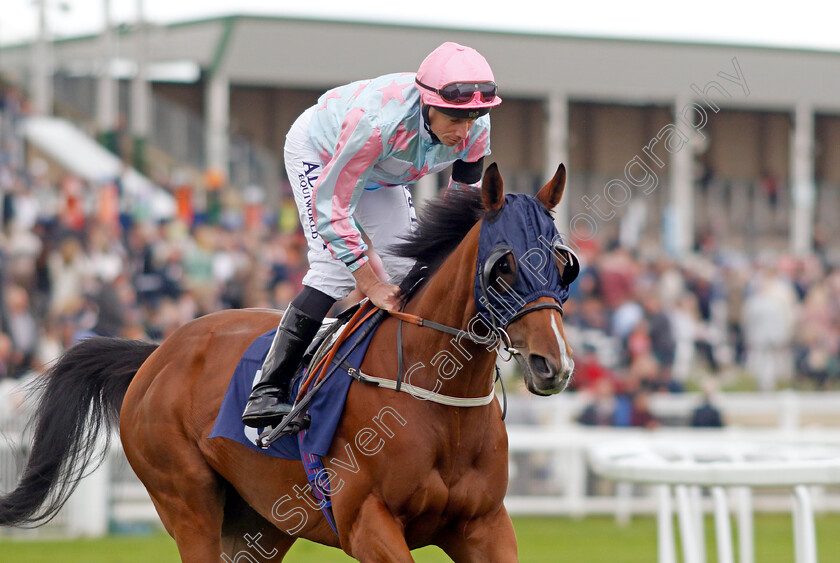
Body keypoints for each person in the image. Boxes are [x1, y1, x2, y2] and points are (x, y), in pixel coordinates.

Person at [242, 42, 502, 428]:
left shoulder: (477, 127)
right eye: (454, 119)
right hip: (323, 151)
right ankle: (267, 390)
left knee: (411, 266)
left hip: (382, 169)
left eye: (473, 117)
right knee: (333, 266)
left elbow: (458, 209)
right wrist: (368, 281)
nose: (465, 132)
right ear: (428, 104)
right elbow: (333, 208)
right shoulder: (377, 124)